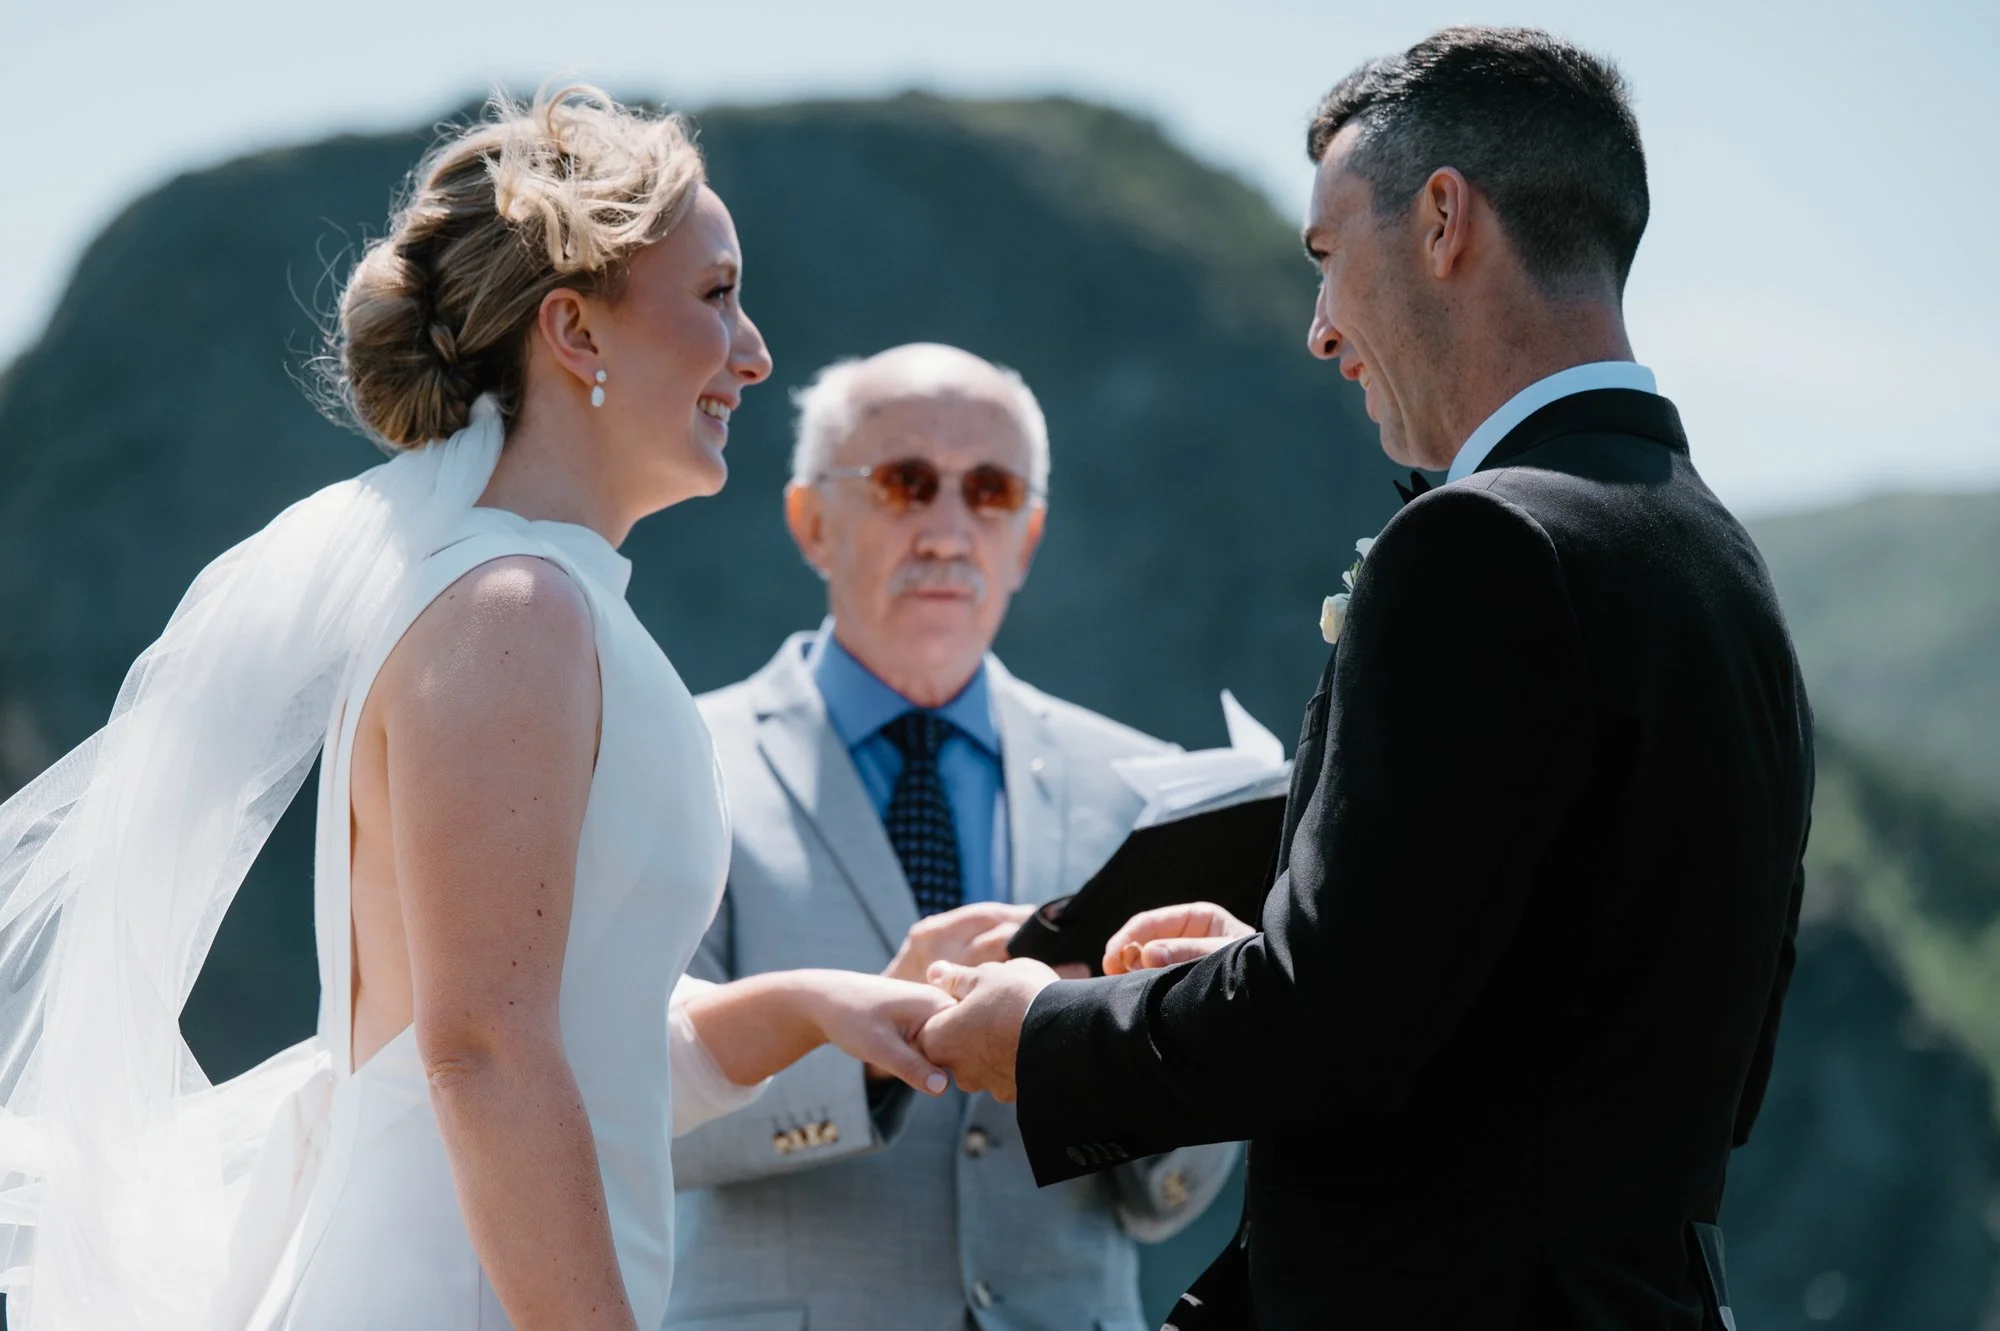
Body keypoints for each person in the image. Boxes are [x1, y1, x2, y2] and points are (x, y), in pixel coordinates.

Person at [0, 88, 960, 1331]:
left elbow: (576, 1046)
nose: (755, 349)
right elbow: (484, 1055)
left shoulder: (538, 602)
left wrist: (817, 1003)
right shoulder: (512, 610)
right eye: (716, 294)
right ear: (574, 329)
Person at [917, 27, 1815, 1331]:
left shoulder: (1481, 543)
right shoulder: (1720, 558)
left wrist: (1043, 1032)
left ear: (1444, 218)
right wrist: (1276, 955)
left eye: (1329, 259)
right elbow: (1665, 1053)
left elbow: (1332, 1024)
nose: (1321, 330)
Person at [666, 344, 1239, 1330]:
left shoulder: (1147, 786)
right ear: (809, 521)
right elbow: (632, 1113)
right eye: (902, 483)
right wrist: (871, 1052)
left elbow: (1161, 1201)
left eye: (987, 489)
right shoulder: (675, 761)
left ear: (1026, 536)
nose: (945, 529)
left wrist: (1196, 1027)